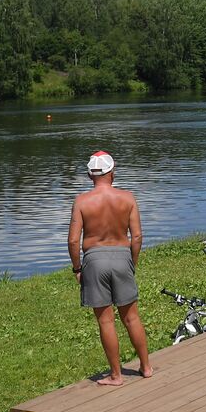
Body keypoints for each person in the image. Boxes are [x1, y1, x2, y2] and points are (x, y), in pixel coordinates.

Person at [69, 151, 152, 387]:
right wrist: (132, 262)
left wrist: (77, 268)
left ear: (90, 175)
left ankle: (116, 375)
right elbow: (137, 236)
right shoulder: (127, 198)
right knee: (131, 317)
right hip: (122, 256)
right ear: (112, 173)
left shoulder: (82, 201)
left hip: (94, 260)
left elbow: (73, 240)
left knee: (106, 322)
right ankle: (146, 367)